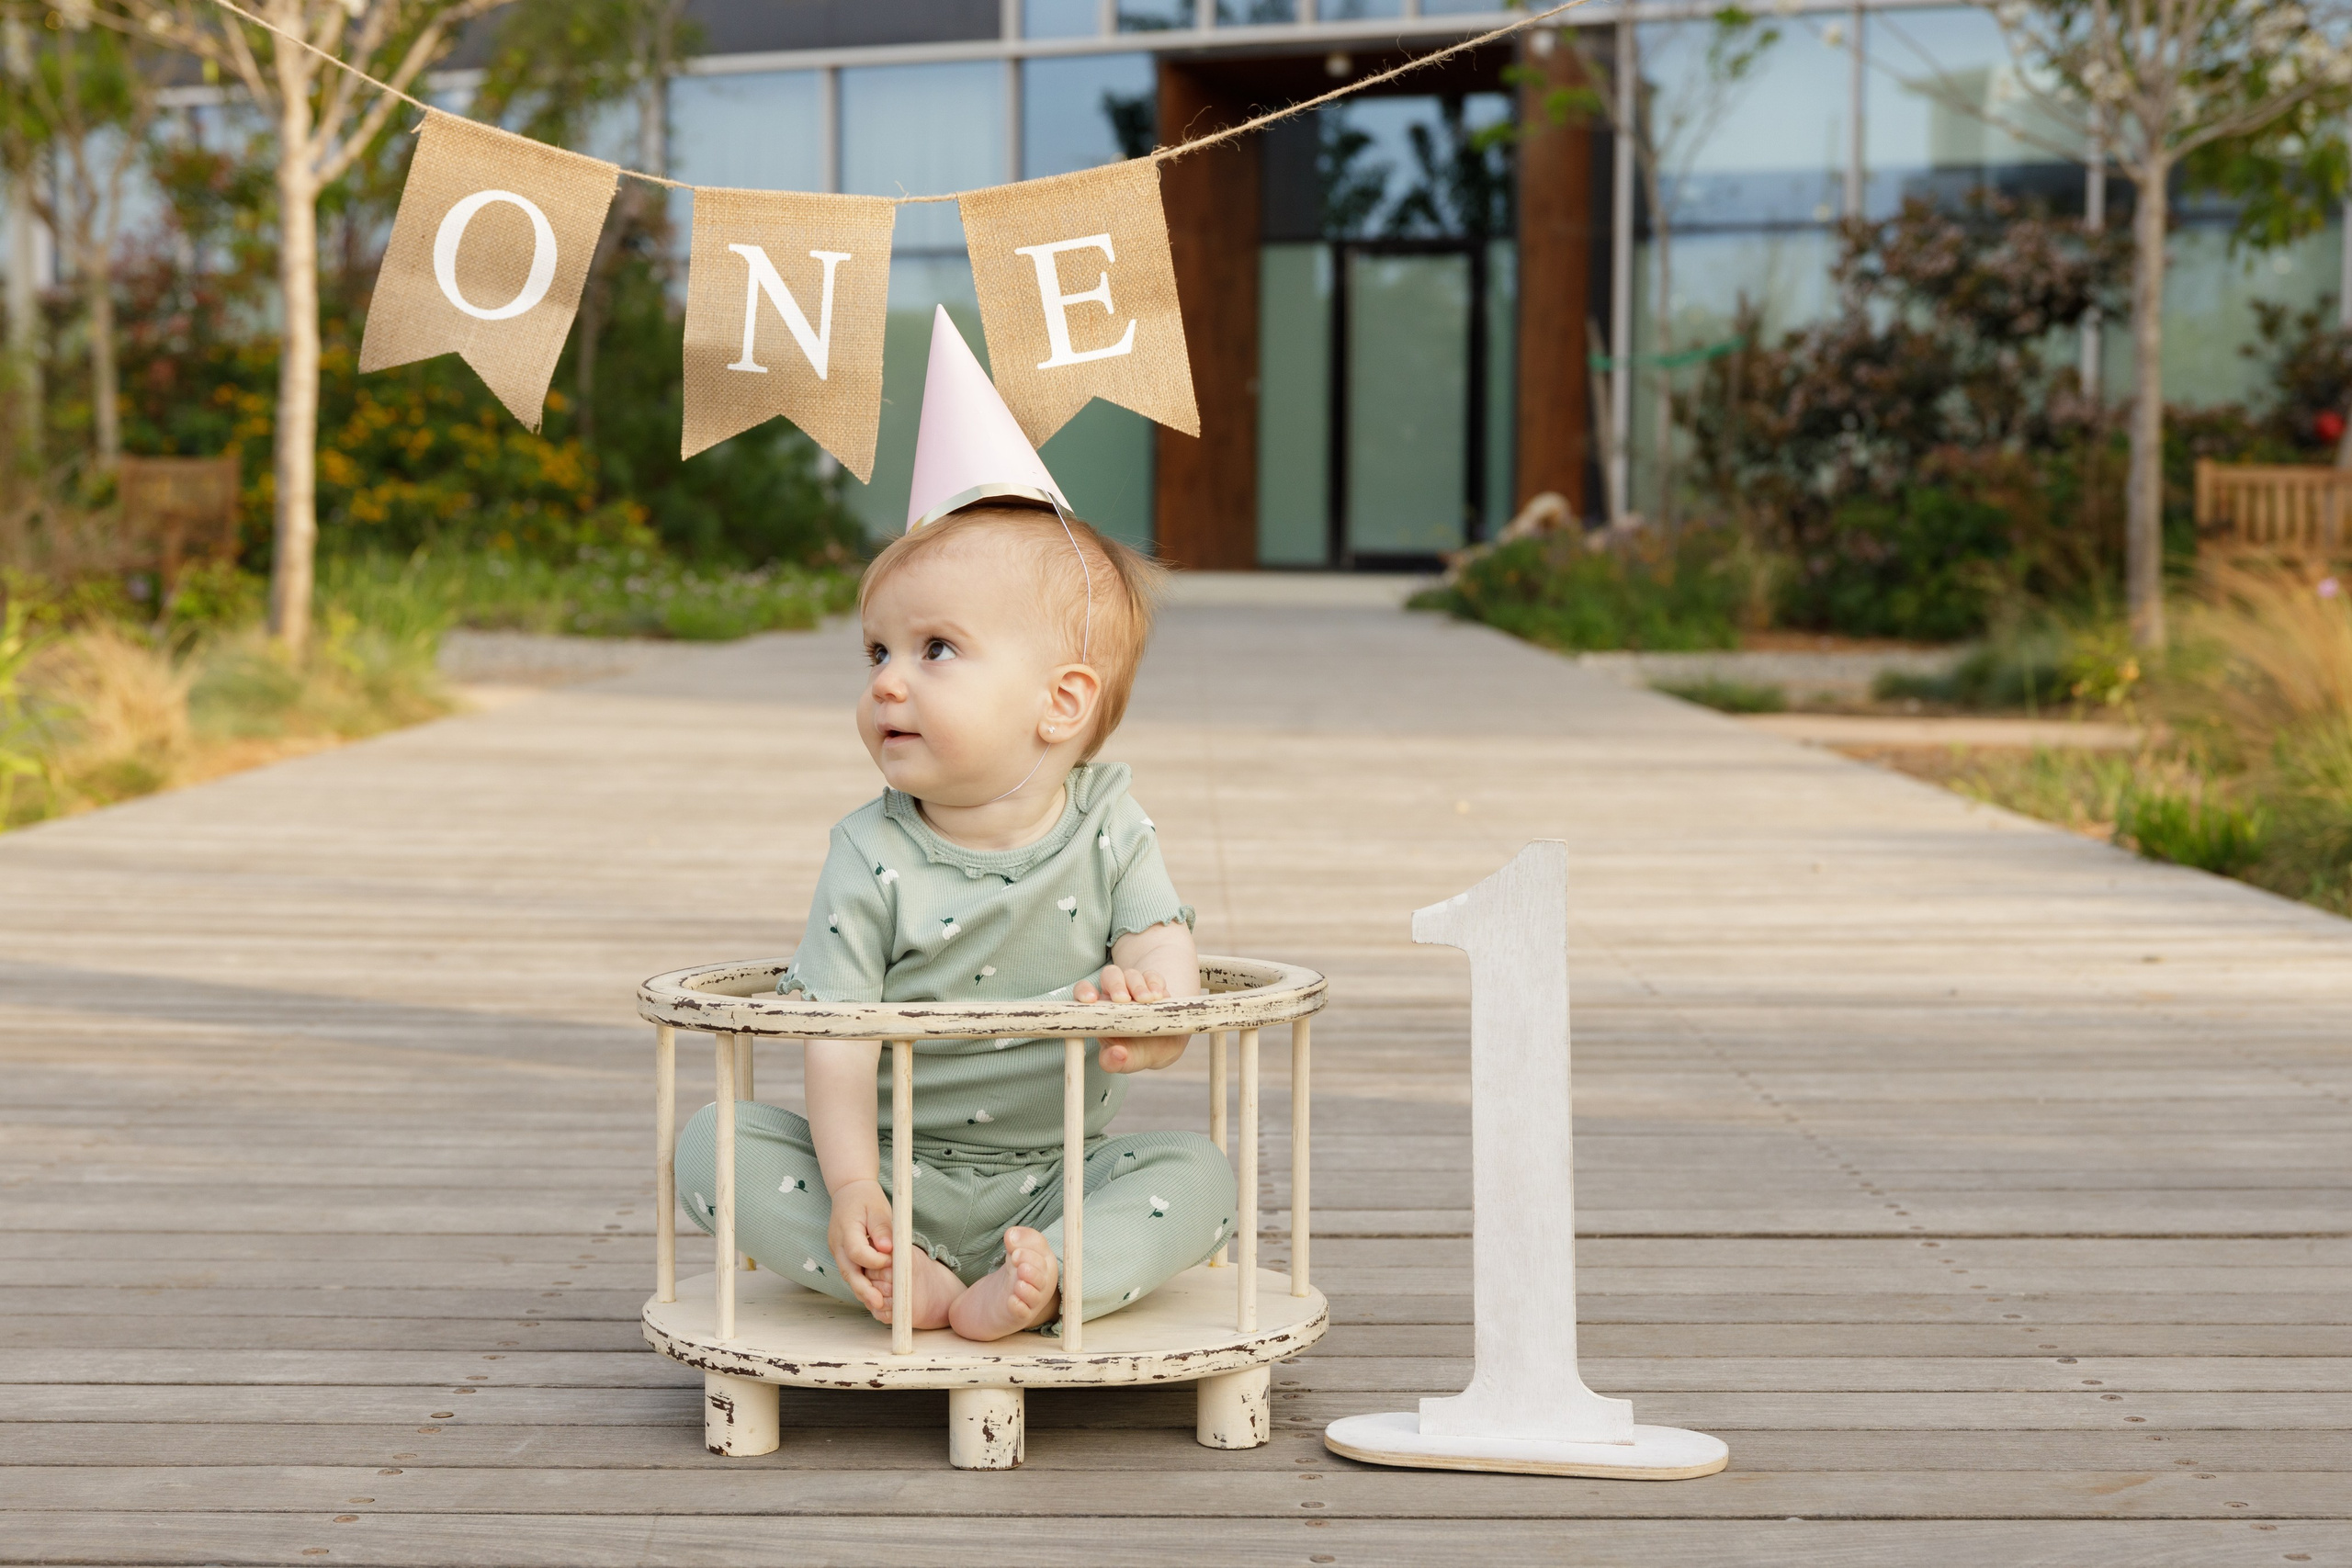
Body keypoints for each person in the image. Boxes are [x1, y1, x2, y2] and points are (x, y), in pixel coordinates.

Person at [673, 310, 1235, 1341]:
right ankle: (904, 1274)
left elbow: (1164, 950)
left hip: (1056, 1169)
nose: (887, 681)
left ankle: (1054, 1269)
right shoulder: (870, 852)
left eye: (934, 650)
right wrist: (850, 1188)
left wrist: (1148, 1018)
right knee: (712, 1140)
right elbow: (836, 1042)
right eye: (874, 652)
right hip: (892, 1169)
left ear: (1059, 704)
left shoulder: (1110, 823)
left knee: (1198, 1176)